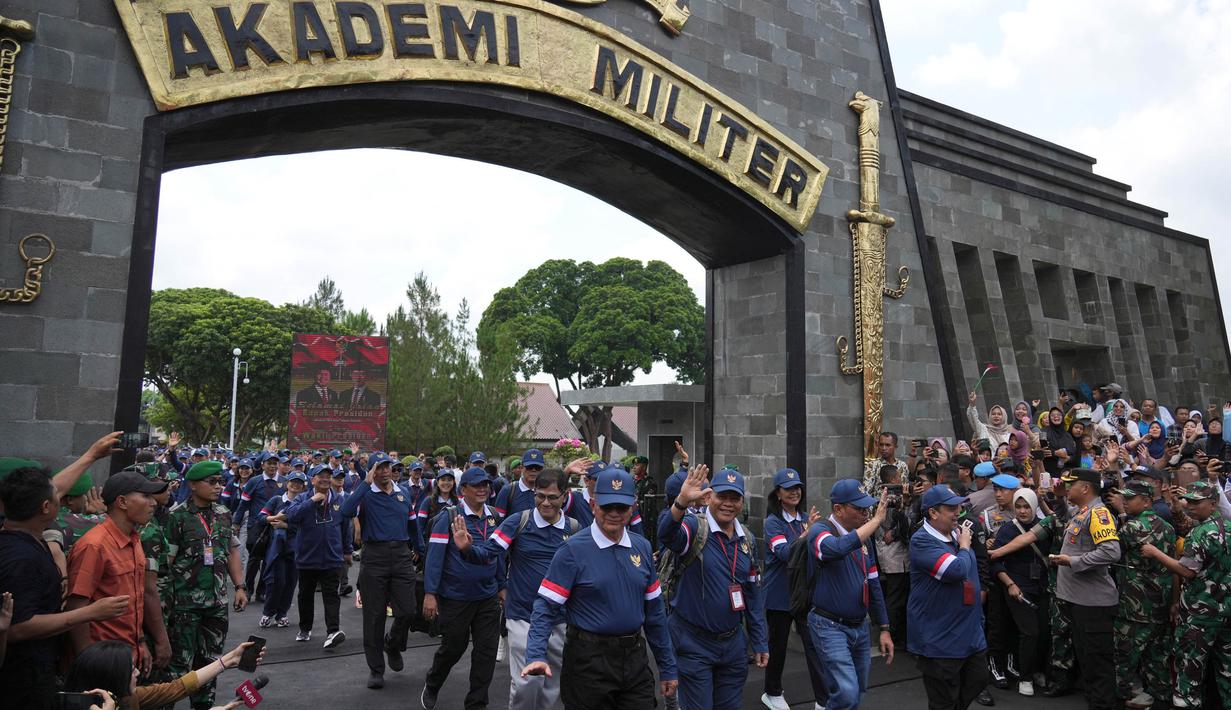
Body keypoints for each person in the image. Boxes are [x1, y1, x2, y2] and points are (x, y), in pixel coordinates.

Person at [521, 466, 678, 707]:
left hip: (634, 659)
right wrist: (535, 655)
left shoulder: (642, 547)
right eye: (607, 506)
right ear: (593, 505)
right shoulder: (572, 550)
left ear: (633, 507)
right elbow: (545, 607)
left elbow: (655, 614)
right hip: (588, 662)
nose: (614, 513)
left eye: (622, 507)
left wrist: (667, 667)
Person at [450, 466, 582, 710]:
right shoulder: (518, 521)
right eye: (539, 496)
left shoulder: (574, 529)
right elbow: (489, 553)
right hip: (523, 616)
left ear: (565, 495)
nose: (545, 503)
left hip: (561, 619)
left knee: (553, 688)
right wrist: (467, 549)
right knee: (527, 684)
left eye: (552, 497)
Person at [0, 464, 130, 708]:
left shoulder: (27, 537)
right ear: (46, 507)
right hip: (23, 680)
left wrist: (92, 455)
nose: (60, 496)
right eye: (56, 495)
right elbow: (17, 626)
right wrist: (89, 612)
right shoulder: (21, 558)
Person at [658, 464, 768, 710]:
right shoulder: (694, 527)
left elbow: (753, 594)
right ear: (709, 497)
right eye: (722, 496)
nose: (728, 503)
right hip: (693, 642)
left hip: (733, 645)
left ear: (742, 502)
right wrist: (681, 502)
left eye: (734, 498)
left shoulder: (747, 539)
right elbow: (666, 535)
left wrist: (760, 641)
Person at [164, 460, 249, 710]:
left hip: (216, 604)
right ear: (192, 485)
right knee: (179, 667)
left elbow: (232, 550)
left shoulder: (223, 514)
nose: (218, 487)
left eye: (220, 481)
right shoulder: (176, 516)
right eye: (211, 482)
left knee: (211, 664)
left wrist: (240, 587)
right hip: (184, 607)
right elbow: (167, 564)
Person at [1140, 479, 1231, 708]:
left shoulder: (1200, 533)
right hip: (1225, 611)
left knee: (1189, 669)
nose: (1190, 505)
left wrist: (1155, 552)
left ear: (1213, 503)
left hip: (1200, 615)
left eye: (1196, 502)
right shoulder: (1227, 527)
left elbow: (1186, 571)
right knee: (1227, 670)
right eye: (1188, 500)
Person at [421, 466, 506, 709]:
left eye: (486, 485)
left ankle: (476, 703)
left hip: (487, 597)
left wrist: (502, 585)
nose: (483, 489)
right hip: (456, 598)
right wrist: (430, 594)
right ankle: (434, 681)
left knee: (486, 652)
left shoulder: (494, 516)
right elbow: (434, 559)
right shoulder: (448, 518)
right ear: (463, 490)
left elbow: (498, 555)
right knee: (453, 648)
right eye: (476, 485)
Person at [805, 479, 893, 710]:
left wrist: (884, 627)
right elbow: (833, 548)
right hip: (829, 625)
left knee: (857, 691)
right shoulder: (820, 530)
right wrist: (875, 522)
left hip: (859, 627)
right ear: (838, 509)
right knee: (846, 691)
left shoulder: (865, 538)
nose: (865, 513)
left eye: (868, 508)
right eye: (859, 508)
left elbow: (873, 583)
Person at [65, 471, 168, 669]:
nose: (153, 502)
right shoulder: (94, 545)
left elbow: (134, 601)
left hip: (127, 656)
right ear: (122, 502)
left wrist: (139, 643)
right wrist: (88, 661)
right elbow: (77, 607)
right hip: (102, 660)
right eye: (145, 496)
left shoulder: (134, 539)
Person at [339, 453, 416, 689]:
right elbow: (345, 511)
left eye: (387, 467)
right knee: (374, 616)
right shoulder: (365, 494)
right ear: (372, 471)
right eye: (379, 468)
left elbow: (413, 524)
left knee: (408, 611)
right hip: (375, 557)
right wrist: (365, 483)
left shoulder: (403, 492)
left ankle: (391, 644)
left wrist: (420, 549)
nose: (384, 472)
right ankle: (376, 669)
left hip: (402, 554)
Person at [909, 484, 988, 710]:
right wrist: (964, 547)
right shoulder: (922, 540)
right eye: (951, 509)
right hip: (940, 638)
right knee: (943, 699)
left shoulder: (956, 533)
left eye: (959, 507)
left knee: (979, 678)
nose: (958, 513)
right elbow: (956, 571)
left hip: (970, 634)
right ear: (933, 513)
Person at [1050, 468, 1120, 710]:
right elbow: (1064, 517)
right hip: (1079, 602)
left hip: (1094, 605)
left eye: (1071, 484)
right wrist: (1059, 498)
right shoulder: (1082, 511)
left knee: (1097, 665)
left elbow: (1111, 551)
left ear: (1086, 488)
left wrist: (1074, 562)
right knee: (1088, 662)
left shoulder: (1099, 514)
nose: (1067, 487)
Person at [761, 467, 827, 710]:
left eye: (797, 488)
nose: (794, 492)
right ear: (778, 494)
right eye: (788, 489)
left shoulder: (802, 519)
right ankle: (772, 691)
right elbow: (785, 553)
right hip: (779, 593)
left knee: (814, 646)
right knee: (777, 647)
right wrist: (808, 532)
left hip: (804, 594)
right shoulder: (772, 523)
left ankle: (823, 699)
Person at [1108, 480, 1174, 709]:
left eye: (1130, 498)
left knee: (1125, 655)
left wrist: (1120, 515)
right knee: (1158, 657)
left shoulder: (1132, 528)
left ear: (1146, 501)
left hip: (1134, 606)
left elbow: (1112, 552)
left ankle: (1124, 696)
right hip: (1160, 603)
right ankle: (1160, 698)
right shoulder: (1168, 526)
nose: (1124, 501)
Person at [62, 638, 265, 710]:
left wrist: (230, 659)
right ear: (111, 677)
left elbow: (176, 688)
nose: (137, 672)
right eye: (130, 669)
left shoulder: (125, 697)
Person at [987, 488, 1045, 696]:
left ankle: (1035, 669)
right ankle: (1025, 678)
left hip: (1042, 587)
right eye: (1018, 506)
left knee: (1043, 632)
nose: (1022, 511)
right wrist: (1010, 584)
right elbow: (995, 562)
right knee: (1029, 632)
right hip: (1017, 589)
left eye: (1026, 506)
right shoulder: (1007, 530)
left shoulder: (1044, 527)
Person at [287, 464, 352, 647]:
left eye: (328, 476)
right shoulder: (303, 497)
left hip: (332, 557)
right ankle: (305, 628)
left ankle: (333, 631)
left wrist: (347, 551)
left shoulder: (339, 499)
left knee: (332, 595)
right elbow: (291, 516)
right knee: (305, 595)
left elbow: (346, 528)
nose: (325, 479)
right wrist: (312, 501)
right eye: (320, 476)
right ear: (312, 479)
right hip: (307, 557)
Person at [254, 469, 308, 628]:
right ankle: (268, 612)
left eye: (300, 483)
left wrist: (286, 525)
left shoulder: (305, 504)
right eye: (293, 481)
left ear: (304, 487)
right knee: (276, 582)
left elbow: (306, 526)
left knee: (290, 583)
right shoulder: (276, 500)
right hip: (276, 549)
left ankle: (282, 614)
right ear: (287, 483)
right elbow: (261, 517)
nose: (296, 485)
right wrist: (275, 519)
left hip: (296, 549)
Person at [493, 448, 545, 519]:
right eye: (529, 467)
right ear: (522, 468)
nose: (533, 470)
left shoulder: (546, 492)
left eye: (537, 467)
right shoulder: (508, 490)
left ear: (543, 469)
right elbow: (498, 521)